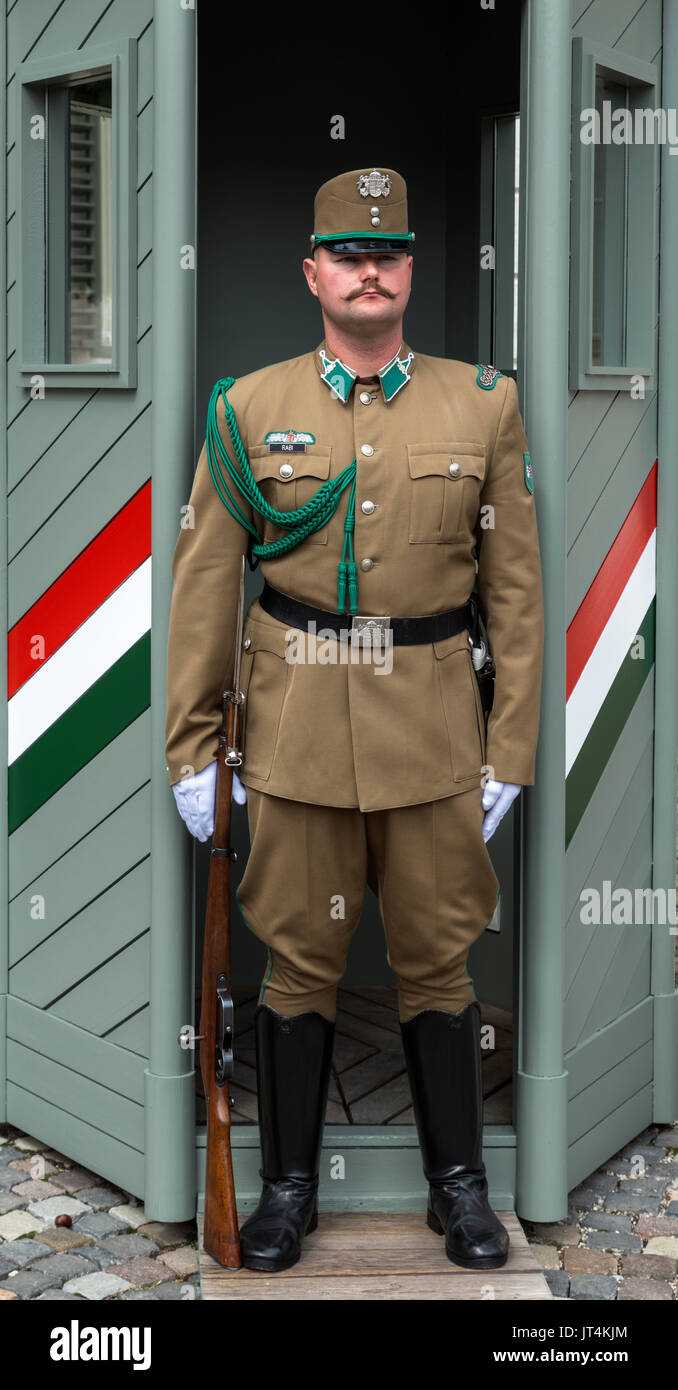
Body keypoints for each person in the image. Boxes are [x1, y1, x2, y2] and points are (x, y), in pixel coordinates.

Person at [165, 167, 544, 1274]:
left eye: (387, 253)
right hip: (293, 735)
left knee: (438, 965)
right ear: (313, 273)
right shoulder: (249, 409)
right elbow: (205, 586)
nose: (368, 270)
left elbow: (514, 593)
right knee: (296, 964)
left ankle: (461, 1191)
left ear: (412, 269)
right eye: (346, 252)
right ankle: (286, 1191)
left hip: (436, 737)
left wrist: (509, 744)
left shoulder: (484, 401)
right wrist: (194, 750)